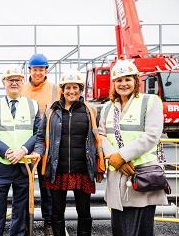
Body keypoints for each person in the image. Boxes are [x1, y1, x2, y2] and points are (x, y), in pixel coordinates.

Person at [98, 59, 168, 236]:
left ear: (136, 81)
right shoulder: (108, 107)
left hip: (142, 174)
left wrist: (121, 156)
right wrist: (116, 159)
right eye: (119, 80)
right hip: (118, 173)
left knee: (142, 228)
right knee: (120, 228)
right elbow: (101, 135)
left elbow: (152, 135)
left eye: (128, 79)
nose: (123, 84)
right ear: (114, 83)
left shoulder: (150, 102)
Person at [33, 69, 104, 236]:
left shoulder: (89, 110)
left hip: (83, 171)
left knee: (84, 213)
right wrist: (38, 152)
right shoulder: (51, 110)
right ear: (62, 90)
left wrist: (99, 164)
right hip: (58, 170)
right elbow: (41, 136)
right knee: (57, 213)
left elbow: (97, 138)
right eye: (68, 88)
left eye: (75, 87)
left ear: (80, 89)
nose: (71, 91)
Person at [0, 65, 41, 236]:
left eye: (17, 80)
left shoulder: (33, 105)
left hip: (24, 166)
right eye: (10, 80)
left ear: (23, 82)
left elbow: (38, 133)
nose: (14, 83)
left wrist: (23, 150)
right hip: (1, 166)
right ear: (4, 82)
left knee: (20, 209)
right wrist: (7, 151)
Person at [22, 53, 61, 235]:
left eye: (41, 69)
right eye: (35, 69)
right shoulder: (21, 89)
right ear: (29, 70)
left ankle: (49, 222)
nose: (38, 73)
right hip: (25, 144)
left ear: (46, 70)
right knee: (24, 184)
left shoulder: (55, 89)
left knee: (47, 186)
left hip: (48, 145)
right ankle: (25, 222)